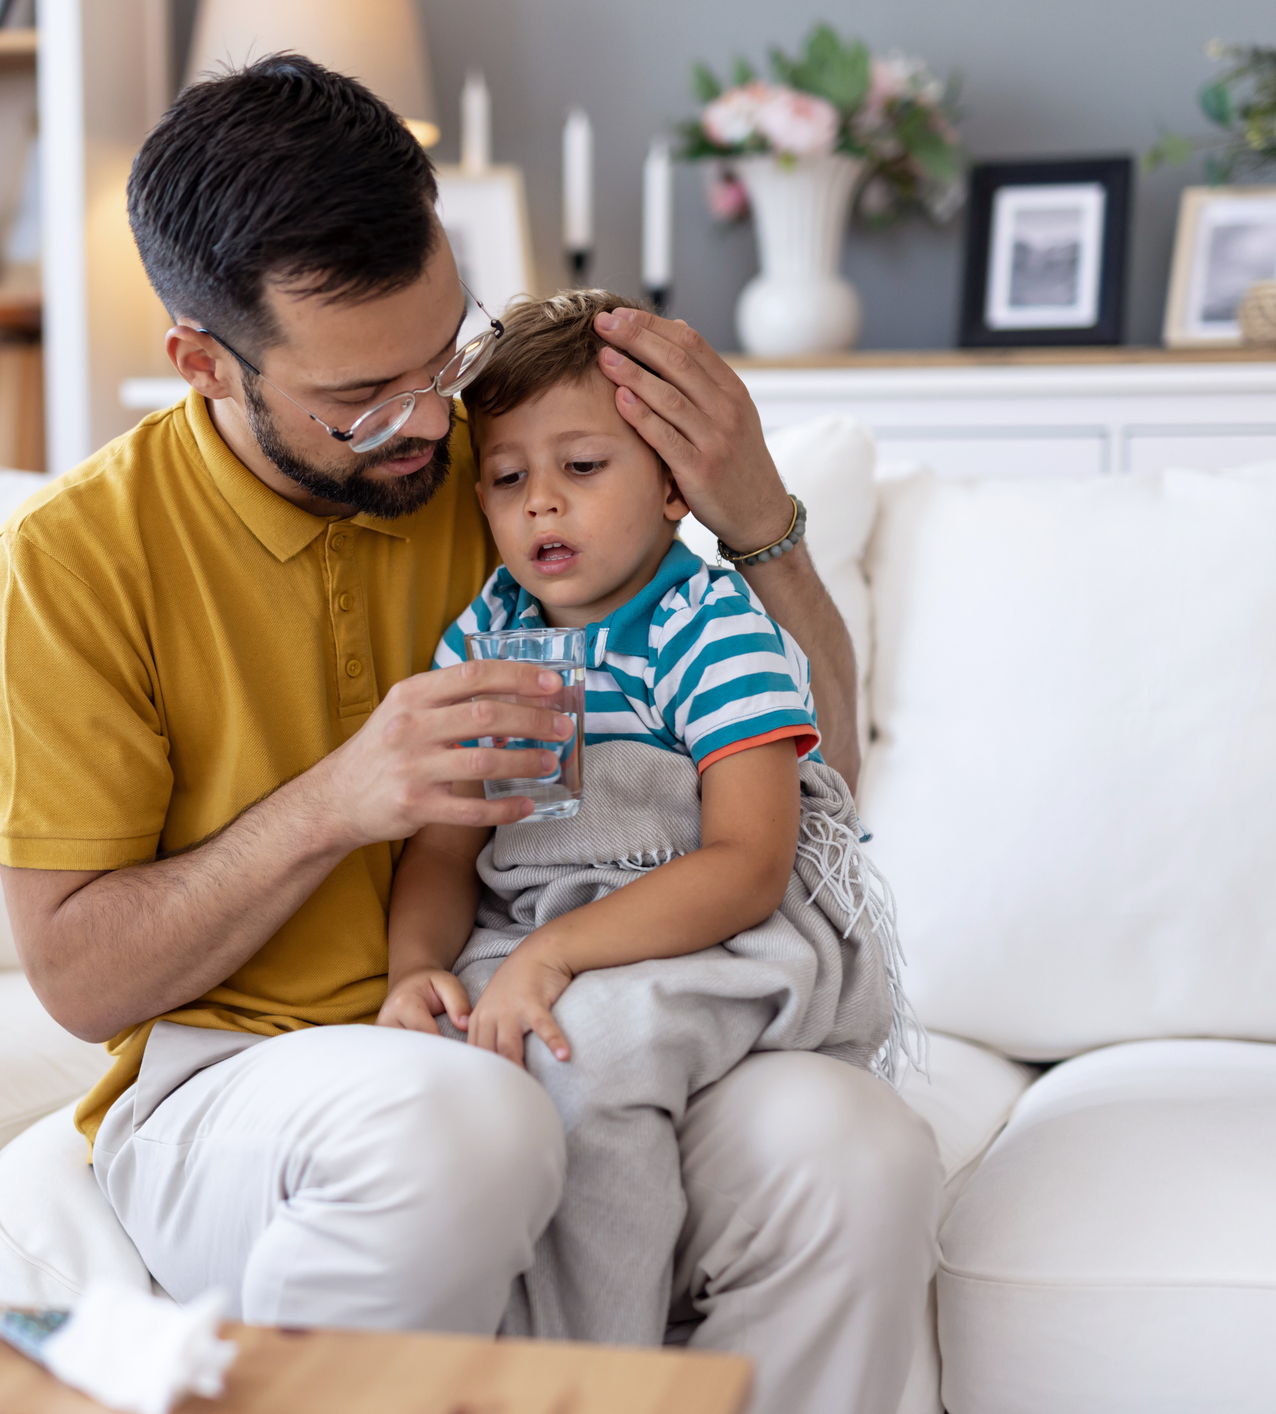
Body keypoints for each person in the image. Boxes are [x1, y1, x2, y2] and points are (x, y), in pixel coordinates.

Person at [0, 55, 941, 1414]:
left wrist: (758, 517)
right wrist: (334, 801)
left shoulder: (499, 475)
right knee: (458, 1124)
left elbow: (817, 775)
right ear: (201, 362)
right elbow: (79, 980)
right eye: (364, 398)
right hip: (241, 1077)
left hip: (532, 1014)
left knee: (854, 1145)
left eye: (447, 356)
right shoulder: (70, 563)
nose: (429, 424)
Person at [379, 288, 912, 1348]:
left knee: (584, 1060)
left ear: (673, 486)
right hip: (532, 936)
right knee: (453, 1083)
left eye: (581, 468)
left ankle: (597, 1370)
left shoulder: (709, 628)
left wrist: (556, 958)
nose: (540, 505)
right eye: (506, 477)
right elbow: (444, 846)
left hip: (707, 932)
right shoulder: (482, 632)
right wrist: (409, 971)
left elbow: (748, 864)